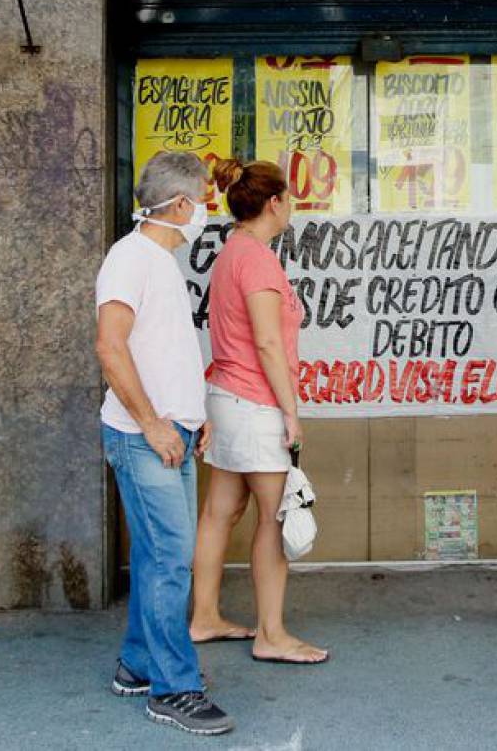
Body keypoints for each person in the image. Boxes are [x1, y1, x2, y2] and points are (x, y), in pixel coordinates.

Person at [95, 151, 234, 736]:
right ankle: (175, 689)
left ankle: (138, 665)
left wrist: (189, 415)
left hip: (168, 431)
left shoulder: (158, 260)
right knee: (173, 561)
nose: (207, 209)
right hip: (143, 435)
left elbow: (162, 351)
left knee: (159, 556)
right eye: (204, 199)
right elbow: (111, 346)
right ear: (181, 204)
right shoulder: (130, 259)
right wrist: (153, 423)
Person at [190, 158, 328, 666]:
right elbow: (269, 342)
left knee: (219, 512)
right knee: (274, 518)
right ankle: (271, 633)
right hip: (256, 402)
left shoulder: (231, 253)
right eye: (288, 197)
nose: (291, 205)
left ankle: (204, 615)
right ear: (274, 203)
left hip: (226, 397)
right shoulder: (260, 261)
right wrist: (290, 413)